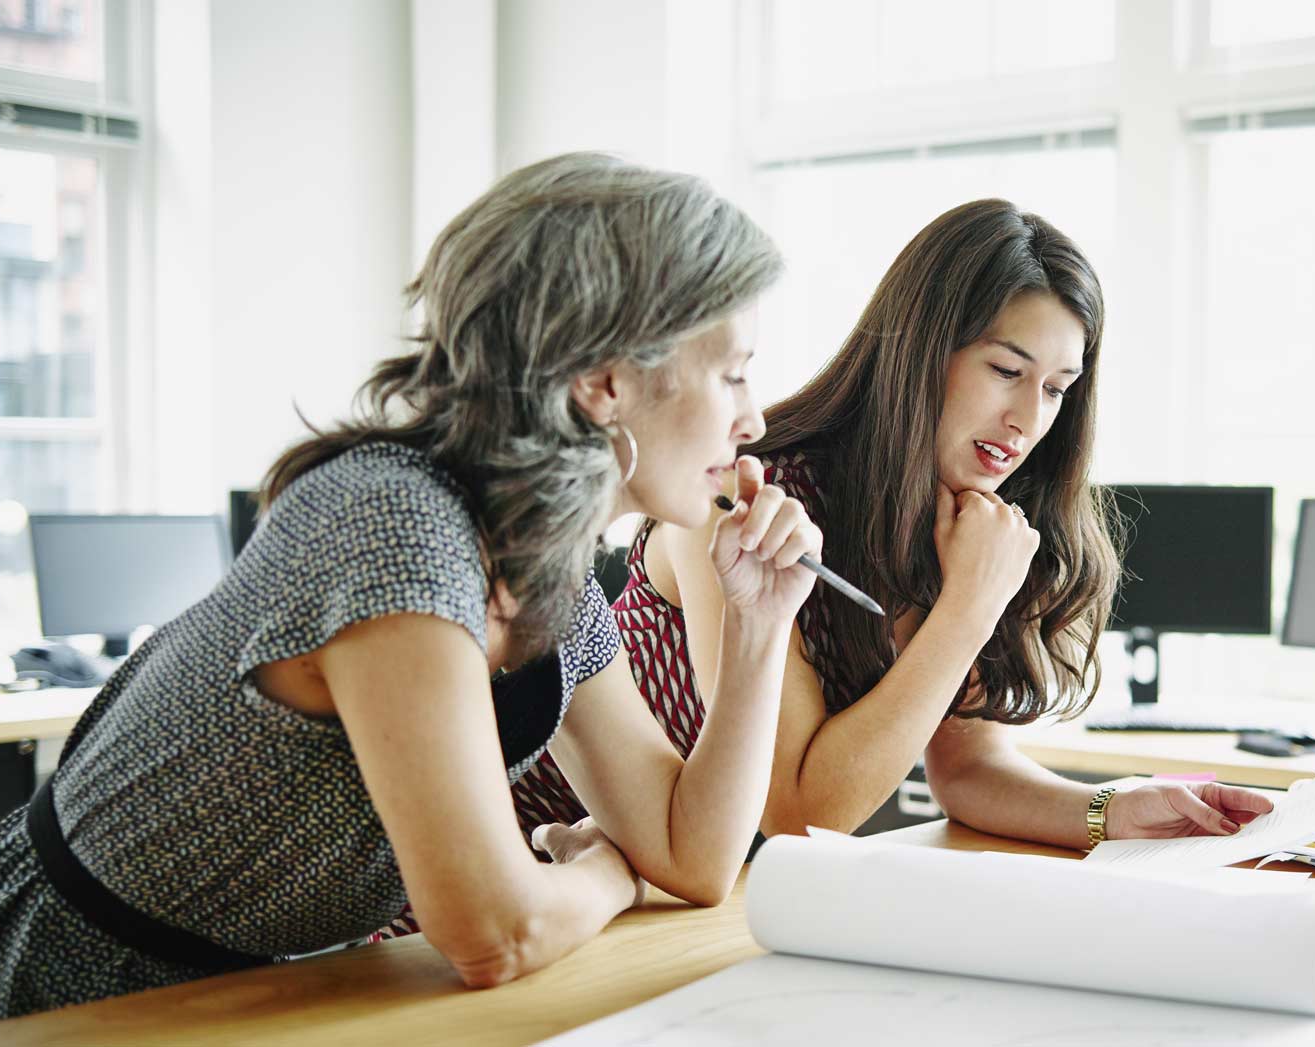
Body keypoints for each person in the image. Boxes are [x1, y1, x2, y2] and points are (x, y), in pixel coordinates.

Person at [0, 152, 821, 1024]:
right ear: (605, 381)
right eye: (733, 372)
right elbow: (496, 932)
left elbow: (692, 854)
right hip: (51, 986)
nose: (752, 419)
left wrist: (758, 624)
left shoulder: (548, 573)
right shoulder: (397, 527)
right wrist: (605, 871)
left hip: (250, 995)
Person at [518, 199, 1276, 861]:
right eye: (1005, 370)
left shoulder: (978, 525)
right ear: (923, 349)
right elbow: (797, 811)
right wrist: (969, 608)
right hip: (548, 857)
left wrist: (1114, 809)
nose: (1027, 419)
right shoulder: (748, 499)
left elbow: (969, 766)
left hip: (700, 888)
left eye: (1055, 389)